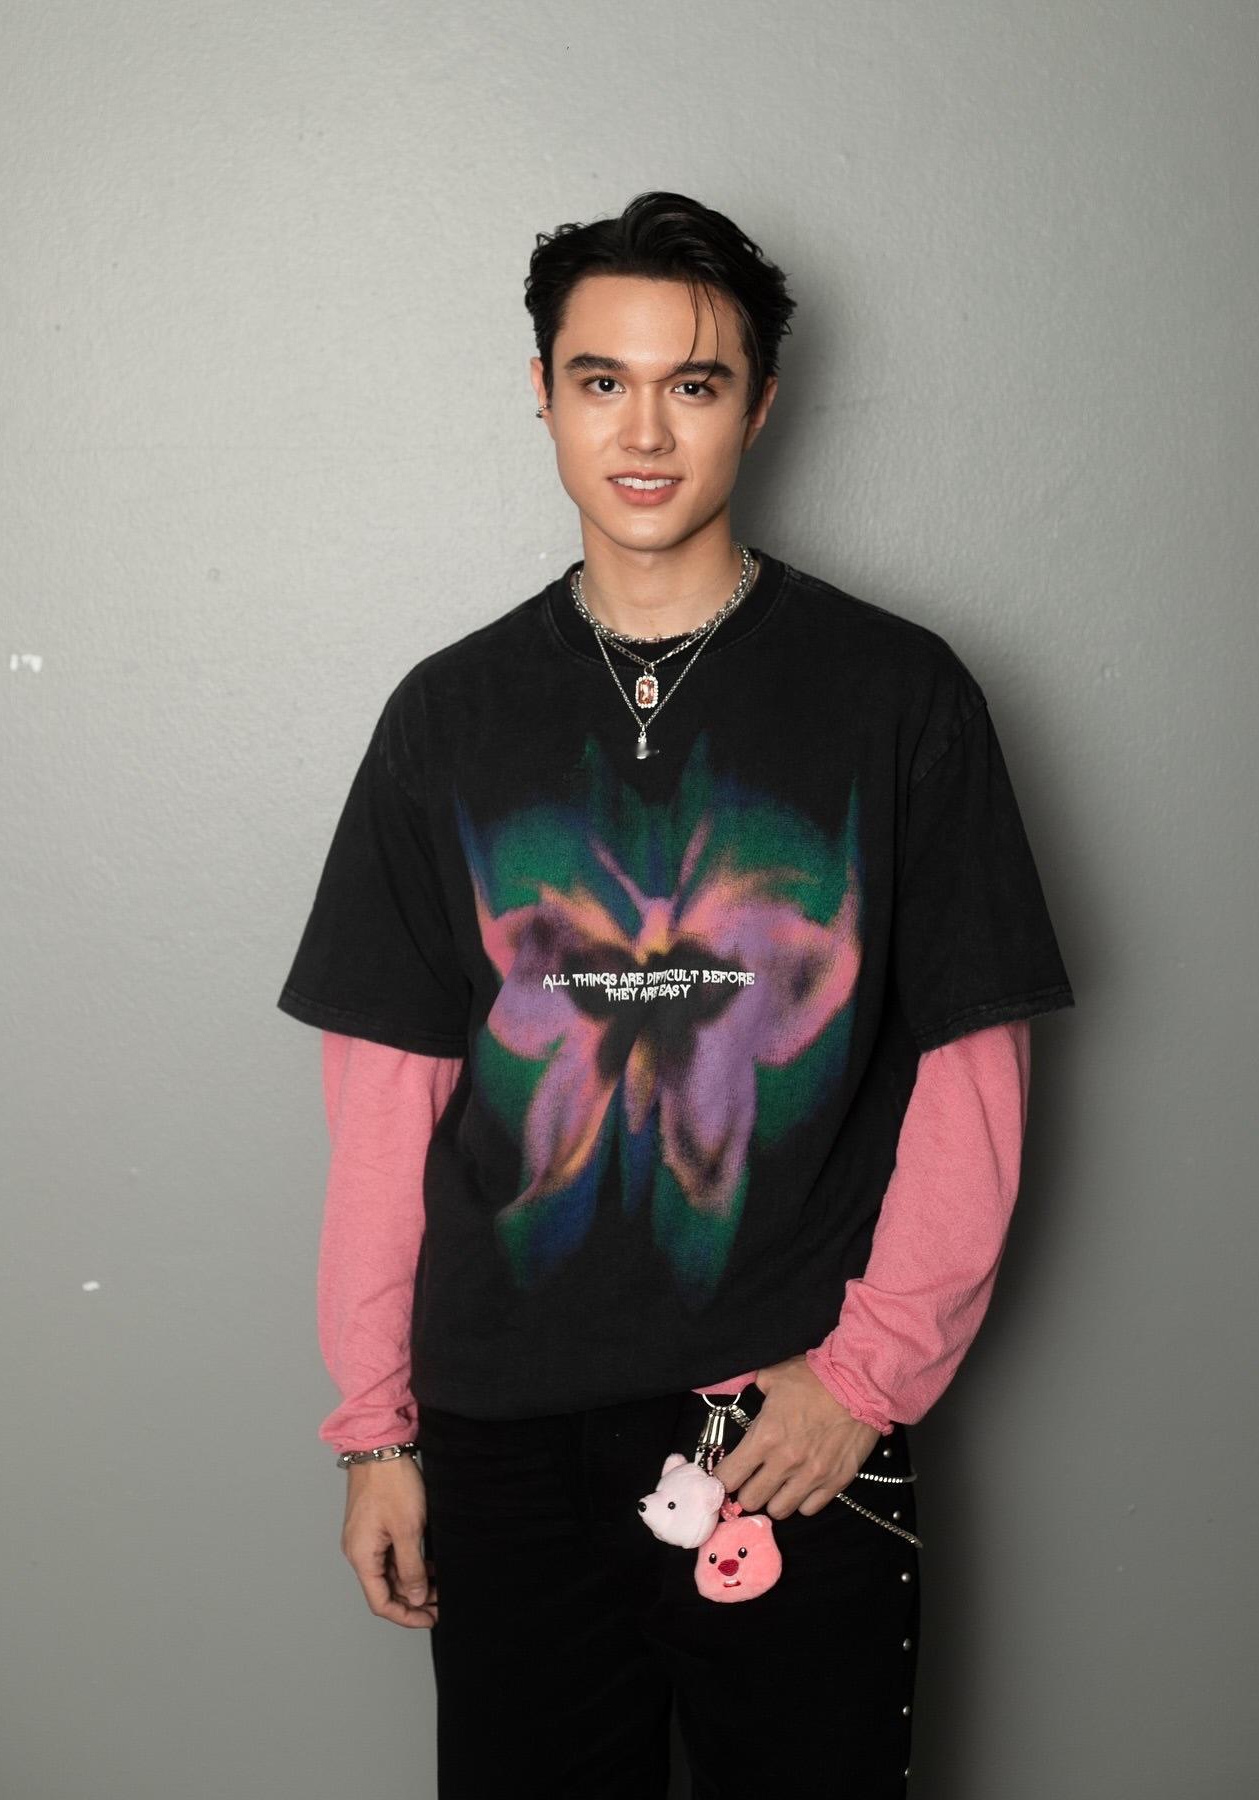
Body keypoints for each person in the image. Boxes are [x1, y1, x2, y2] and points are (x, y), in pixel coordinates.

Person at [276, 190, 1075, 1797]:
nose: (643, 432)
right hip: (501, 1436)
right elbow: (381, 1108)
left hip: (785, 1424)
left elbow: (974, 1078)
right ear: (543, 393)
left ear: (760, 403)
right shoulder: (446, 716)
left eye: (693, 383)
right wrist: (375, 1430)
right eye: (601, 380)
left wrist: (863, 1381)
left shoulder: (899, 695)